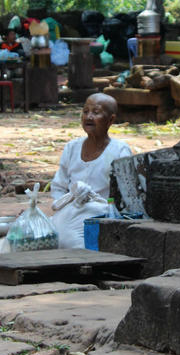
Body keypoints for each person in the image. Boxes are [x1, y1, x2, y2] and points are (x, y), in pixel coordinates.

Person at [50, 93, 131, 248]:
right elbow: (58, 187)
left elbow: (125, 195)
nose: (89, 117)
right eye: (85, 111)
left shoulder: (119, 150)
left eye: (96, 112)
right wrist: (64, 208)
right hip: (69, 210)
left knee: (76, 243)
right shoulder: (72, 147)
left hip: (100, 215)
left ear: (111, 120)